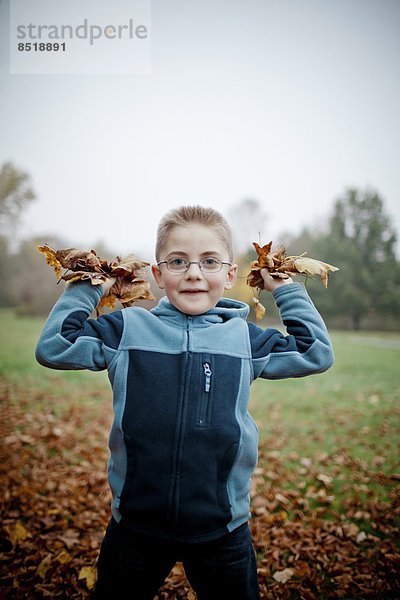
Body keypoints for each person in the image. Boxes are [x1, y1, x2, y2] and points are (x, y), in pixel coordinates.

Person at [35, 206, 334, 599]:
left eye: (209, 261)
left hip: (221, 528)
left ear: (229, 276)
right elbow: (55, 346)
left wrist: (287, 289)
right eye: (178, 261)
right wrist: (91, 284)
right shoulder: (127, 330)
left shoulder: (245, 339)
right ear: (158, 275)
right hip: (136, 527)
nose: (193, 272)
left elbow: (315, 352)